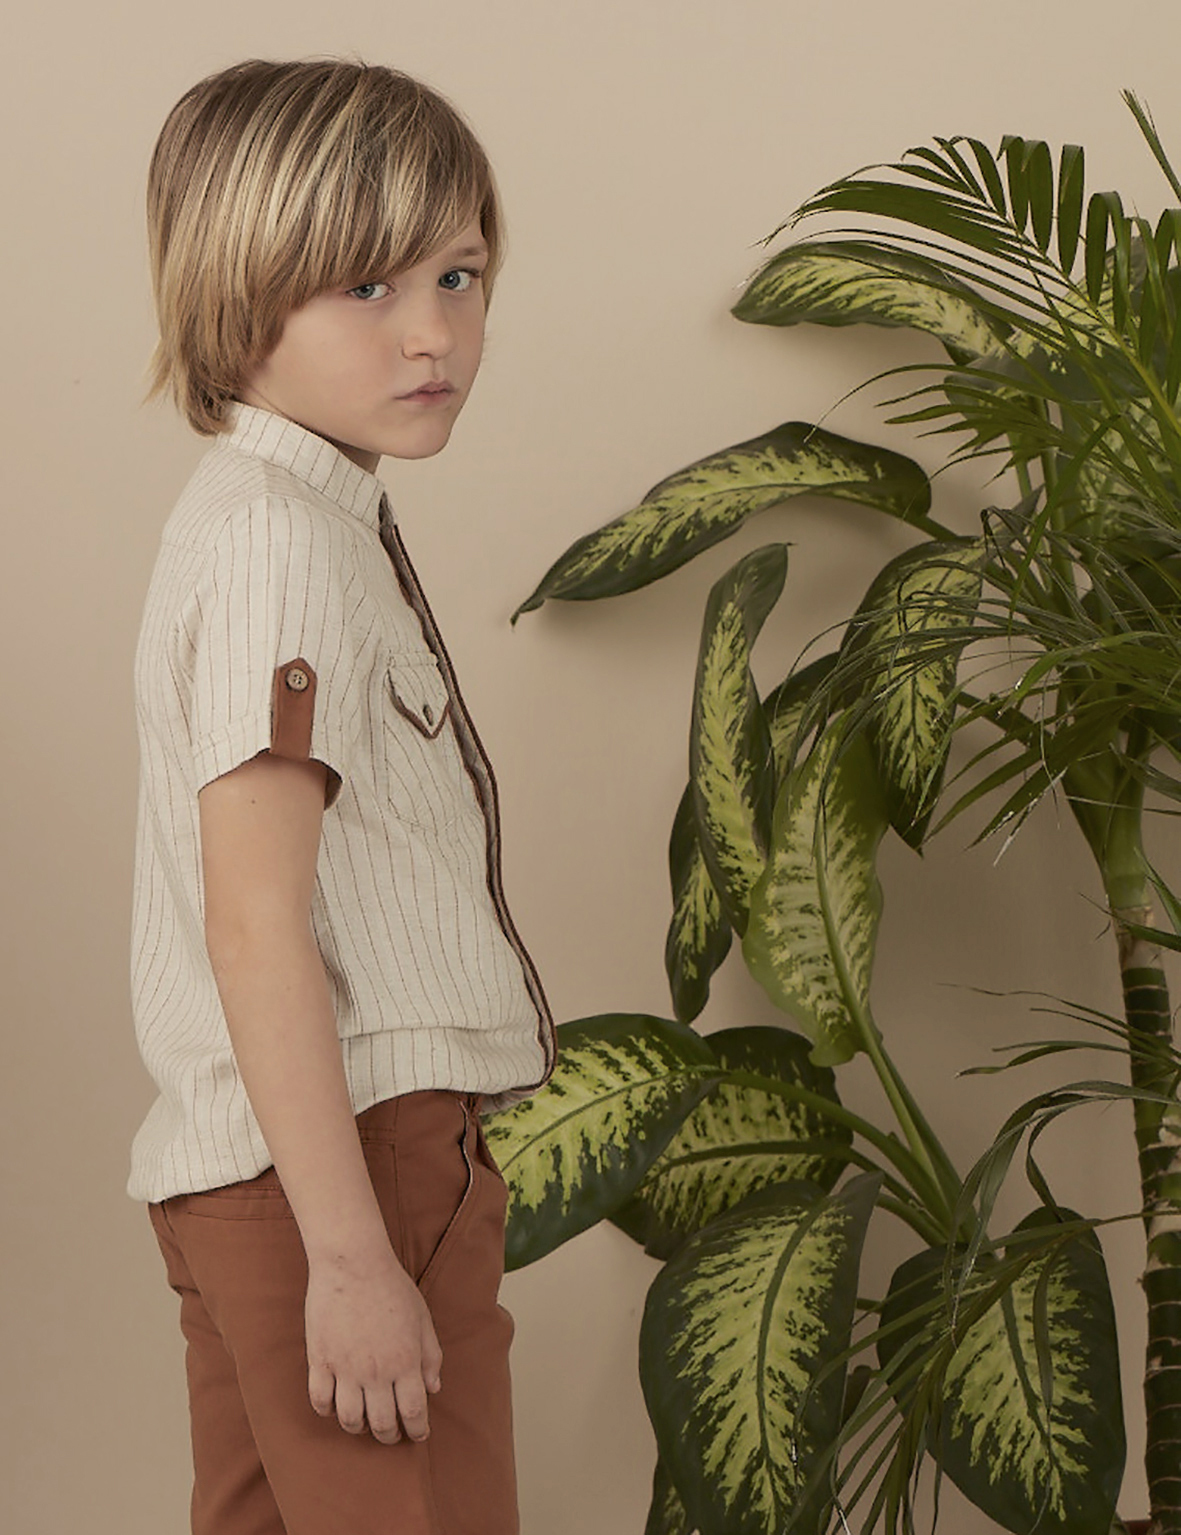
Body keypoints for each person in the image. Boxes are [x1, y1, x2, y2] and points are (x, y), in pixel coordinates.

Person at [129, 58, 557, 1535]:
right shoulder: (280, 543)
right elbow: (256, 921)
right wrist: (357, 1256)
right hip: (347, 1156)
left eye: (457, 274)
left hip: (248, 1162)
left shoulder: (276, 513)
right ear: (236, 295)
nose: (433, 332)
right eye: (366, 288)